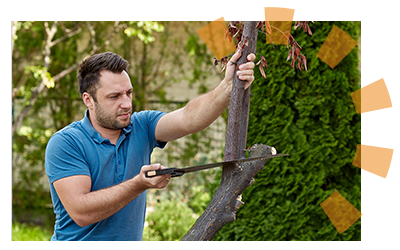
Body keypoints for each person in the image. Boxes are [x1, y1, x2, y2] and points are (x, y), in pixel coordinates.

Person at [45, 50, 255, 241]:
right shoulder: (66, 143)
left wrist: (227, 86)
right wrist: (138, 183)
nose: (126, 103)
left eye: (129, 92)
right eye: (114, 96)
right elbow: (82, 212)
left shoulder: (141, 126)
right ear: (88, 100)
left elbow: (188, 118)